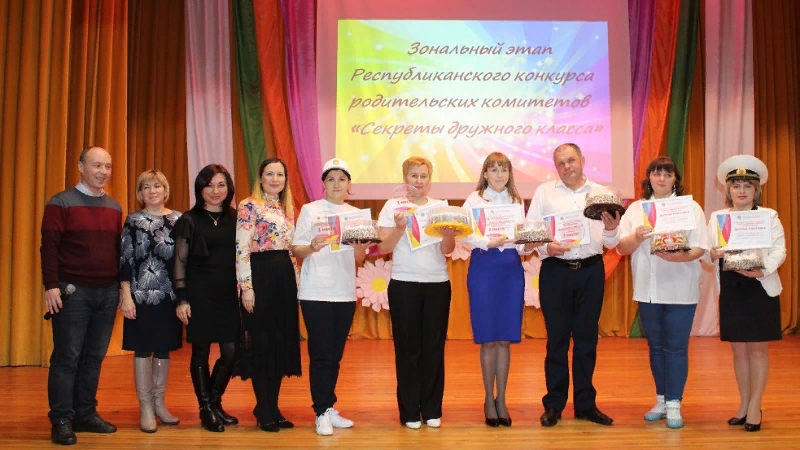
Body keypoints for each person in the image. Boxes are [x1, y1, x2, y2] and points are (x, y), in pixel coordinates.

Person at [525, 143, 621, 427]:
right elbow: (532, 231)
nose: (567, 166)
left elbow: (612, 242)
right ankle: (554, 404)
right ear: (556, 167)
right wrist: (546, 247)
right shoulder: (545, 192)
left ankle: (585, 405)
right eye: (561, 163)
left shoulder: (601, 194)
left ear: (582, 160)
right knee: (556, 340)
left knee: (587, 340)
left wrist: (612, 228)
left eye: (571, 160)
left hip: (591, 270)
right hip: (555, 271)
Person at [616, 156, 708, 429]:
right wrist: (637, 237)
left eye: (668, 174)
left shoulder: (690, 208)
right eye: (657, 174)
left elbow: (701, 246)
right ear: (649, 178)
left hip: (681, 288)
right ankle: (661, 400)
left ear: (675, 179)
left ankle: (675, 403)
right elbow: (621, 248)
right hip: (648, 289)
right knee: (656, 348)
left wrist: (682, 257)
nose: (662, 179)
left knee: (676, 347)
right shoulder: (636, 209)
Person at [41, 146, 122, 445]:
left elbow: (116, 251)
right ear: (80, 166)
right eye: (96, 165)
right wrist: (51, 285)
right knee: (67, 358)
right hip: (72, 292)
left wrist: (119, 289)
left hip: (107, 293)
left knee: (93, 358)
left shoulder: (115, 208)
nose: (103, 172)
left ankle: (85, 414)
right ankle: (62, 420)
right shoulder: (60, 202)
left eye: (108, 166)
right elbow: (49, 247)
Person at [291, 158, 370, 436]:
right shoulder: (310, 210)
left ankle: (328, 406)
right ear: (323, 183)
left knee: (335, 355)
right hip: (316, 291)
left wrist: (359, 248)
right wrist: (312, 247)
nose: (337, 184)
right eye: (331, 179)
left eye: (342, 179)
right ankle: (321, 411)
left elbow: (359, 259)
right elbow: (297, 249)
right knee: (321, 354)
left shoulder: (357, 215)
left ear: (349, 184)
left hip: (344, 292)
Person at [377, 156, 457, 429]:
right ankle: (410, 410)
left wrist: (448, 236)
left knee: (434, 347)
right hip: (404, 283)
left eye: (424, 176)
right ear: (405, 178)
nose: (419, 181)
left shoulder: (440, 208)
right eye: (414, 175)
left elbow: (448, 251)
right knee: (407, 348)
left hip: (437, 283)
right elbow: (383, 247)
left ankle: (432, 409)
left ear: (430, 180)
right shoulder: (393, 207)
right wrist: (400, 228)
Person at [708, 155, 785, 433]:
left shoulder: (768, 216)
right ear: (728, 190)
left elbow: (779, 251)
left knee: (757, 350)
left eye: (747, 186)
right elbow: (707, 253)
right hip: (732, 288)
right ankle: (743, 404)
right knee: (739, 351)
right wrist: (712, 252)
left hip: (759, 286)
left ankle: (755, 406)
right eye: (736, 185)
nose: (741, 191)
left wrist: (762, 271)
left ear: (756, 190)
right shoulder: (718, 218)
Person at [236, 158, 302, 433]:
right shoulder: (249, 205)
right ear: (260, 177)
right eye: (269, 174)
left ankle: (273, 407)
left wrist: (297, 284)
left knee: (278, 344)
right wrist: (246, 287)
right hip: (260, 277)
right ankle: (263, 407)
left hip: (283, 280)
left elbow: (291, 250)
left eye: (280, 174)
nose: (275, 179)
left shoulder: (287, 208)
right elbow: (241, 249)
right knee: (261, 343)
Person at [460, 152, 525, 427]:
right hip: (484, 268)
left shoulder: (516, 201)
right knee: (488, 338)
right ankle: (488, 399)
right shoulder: (474, 200)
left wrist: (527, 242)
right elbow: (463, 232)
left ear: (509, 174)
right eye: (494, 169)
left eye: (504, 169)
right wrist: (487, 242)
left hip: (510, 270)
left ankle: (502, 400)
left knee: (505, 339)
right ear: (485, 173)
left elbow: (521, 239)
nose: (499, 174)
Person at [174, 164, 240, 432]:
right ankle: (206, 409)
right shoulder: (189, 220)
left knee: (231, 354)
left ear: (229, 188)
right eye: (209, 185)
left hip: (229, 295)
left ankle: (214, 403)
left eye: (221, 185)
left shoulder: (237, 218)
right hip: (199, 294)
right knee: (200, 353)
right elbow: (179, 263)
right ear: (199, 188)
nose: (215, 191)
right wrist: (182, 299)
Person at [119, 170, 183, 433]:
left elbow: (184, 260)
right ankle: (145, 406)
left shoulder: (179, 220)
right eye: (146, 187)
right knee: (143, 349)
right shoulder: (133, 221)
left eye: (157, 186)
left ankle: (159, 402)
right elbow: (125, 260)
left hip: (169, 296)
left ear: (166, 190)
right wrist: (126, 296)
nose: (152, 191)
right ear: (140, 193)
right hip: (141, 296)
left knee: (164, 348)